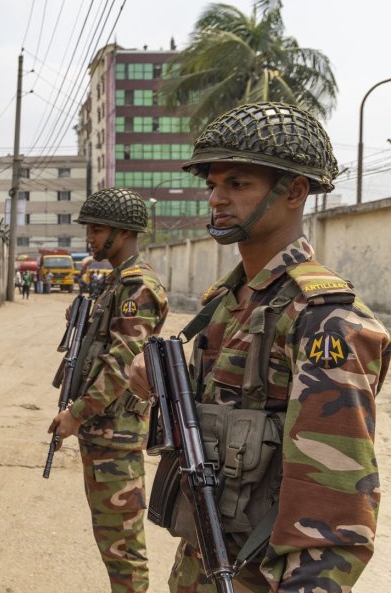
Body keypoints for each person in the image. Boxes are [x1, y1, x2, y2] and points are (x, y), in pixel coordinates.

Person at [127, 102, 391, 592]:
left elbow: (332, 509)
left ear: (294, 191)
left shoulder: (325, 319)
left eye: (238, 184)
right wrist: (158, 386)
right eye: (212, 184)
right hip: (202, 563)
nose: (216, 199)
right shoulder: (228, 301)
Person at [47, 188, 169, 593]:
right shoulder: (115, 284)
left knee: (122, 546)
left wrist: (76, 413)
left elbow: (120, 366)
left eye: (97, 230)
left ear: (123, 232)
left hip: (115, 434)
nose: (90, 238)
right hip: (104, 433)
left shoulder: (138, 287)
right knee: (110, 539)